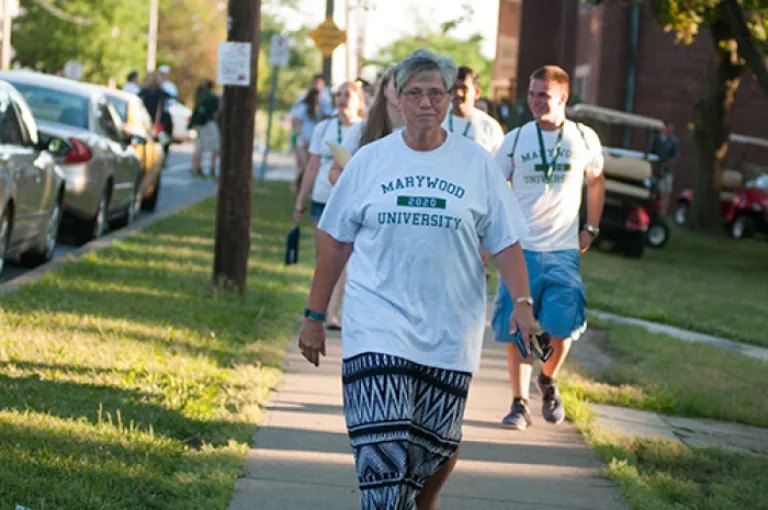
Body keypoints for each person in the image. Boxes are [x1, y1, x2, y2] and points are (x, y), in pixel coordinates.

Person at [297, 48, 537, 510]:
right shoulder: (370, 162)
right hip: (376, 326)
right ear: (398, 99)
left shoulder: (475, 163)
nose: (425, 103)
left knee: (434, 449)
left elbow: (506, 242)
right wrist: (314, 314)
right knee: (383, 453)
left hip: (449, 330)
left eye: (435, 94)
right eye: (414, 94)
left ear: (450, 99)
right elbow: (335, 244)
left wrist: (523, 305)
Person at [492, 65, 605, 431]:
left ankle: (547, 377)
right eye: (532, 94)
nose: (536, 101)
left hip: (562, 249)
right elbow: (496, 187)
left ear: (563, 98)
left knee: (565, 324)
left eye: (544, 95)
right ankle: (518, 403)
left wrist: (591, 226)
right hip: (520, 249)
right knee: (517, 329)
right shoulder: (515, 139)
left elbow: (597, 181)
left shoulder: (583, 138)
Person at [293, 81, 366, 329]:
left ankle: (333, 312)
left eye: (348, 95)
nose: (342, 99)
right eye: (339, 95)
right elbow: (313, 165)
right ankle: (322, 305)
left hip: (351, 202)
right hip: (323, 199)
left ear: (359, 101)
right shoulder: (324, 127)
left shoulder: (365, 130)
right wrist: (300, 202)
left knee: (343, 258)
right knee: (324, 255)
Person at [441, 66, 505, 154]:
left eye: (464, 89)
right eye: (455, 88)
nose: (458, 93)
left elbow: (498, 164)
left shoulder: (489, 126)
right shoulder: (437, 121)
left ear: (477, 93)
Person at [290, 88, 323, 194]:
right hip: (302, 139)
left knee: (310, 165)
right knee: (303, 165)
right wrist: (301, 138)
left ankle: (305, 188)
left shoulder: (317, 108)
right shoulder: (303, 108)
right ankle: (297, 185)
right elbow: (297, 123)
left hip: (312, 139)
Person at [188, 80, 221, 179]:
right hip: (208, 124)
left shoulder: (199, 96)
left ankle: (196, 168)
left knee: (199, 147)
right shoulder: (212, 98)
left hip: (198, 124)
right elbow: (216, 112)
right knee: (215, 147)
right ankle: (212, 169)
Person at [647, 120, 680, 215]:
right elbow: (650, 152)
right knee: (654, 191)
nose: (669, 129)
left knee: (665, 193)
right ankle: (652, 210)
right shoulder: (656, 139)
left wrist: (666, 164)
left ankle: (662, 213)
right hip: (655, 170)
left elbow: (675, 157)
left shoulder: (673, 141)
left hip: (667, 171)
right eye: (667, 126)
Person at [138, 72, 172, 140]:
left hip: (150, 119)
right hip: (147, 118)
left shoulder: (158, 92)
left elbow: (159, 109)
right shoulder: (146, 91)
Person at [158, 65, 178, 156]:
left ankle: (164, 154)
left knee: (166, 136)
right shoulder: (156, 86)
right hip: (156, 115)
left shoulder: (170, 87)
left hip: (165, 114)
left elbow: (173, 101)